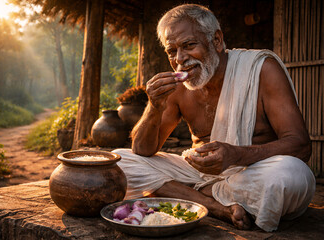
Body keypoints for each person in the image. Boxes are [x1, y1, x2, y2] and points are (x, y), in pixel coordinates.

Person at [112, 4, 315, 232]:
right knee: (118, 161)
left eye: (189, 45)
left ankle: (186, 194)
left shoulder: (262, 70)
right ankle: (217, 207)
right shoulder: (178, 86)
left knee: (291, 175)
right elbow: (142, 151)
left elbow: (300, 145)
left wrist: (237, 154)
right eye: (172, 51)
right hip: (197, 173)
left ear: (217, 40)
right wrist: (154, 107)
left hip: (251, 172)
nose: (180, 59)